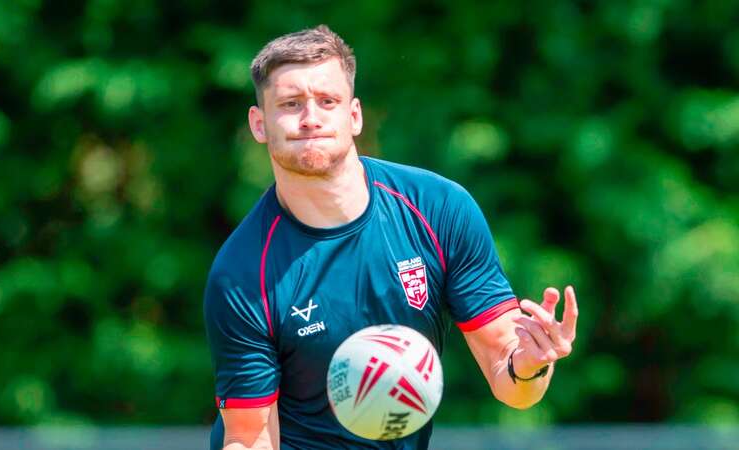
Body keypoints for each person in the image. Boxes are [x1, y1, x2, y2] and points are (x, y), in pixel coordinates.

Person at [203, 25, 578, 450]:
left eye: (328, 101)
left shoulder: (439, 210)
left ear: (355, 115)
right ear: (259, 123)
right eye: (290, 104)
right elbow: (250, 440)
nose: (310, 118)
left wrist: (530, 364)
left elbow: (512, 383)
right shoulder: (241, 274)